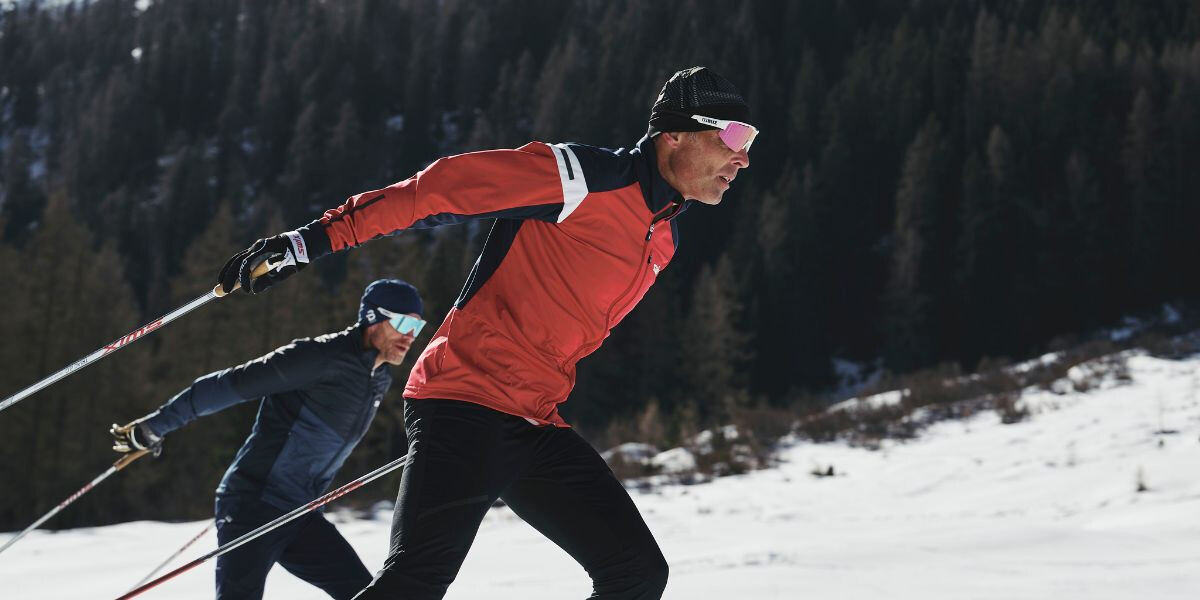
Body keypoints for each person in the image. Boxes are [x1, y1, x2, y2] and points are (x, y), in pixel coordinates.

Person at [216, 66, 756, 600]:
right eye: (731, 135)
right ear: (675, 133)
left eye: (750, 139)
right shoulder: (581, 179)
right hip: (465, 399)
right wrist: (311, 241)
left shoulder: (662, 238)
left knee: (636, 573)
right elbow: (441, 189)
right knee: (414, 583)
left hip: (533, 421)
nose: (743, 156)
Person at [111, 279, 427, 600]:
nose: (410, 336)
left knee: (366, 593)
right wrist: (153, 428)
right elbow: (231, 383)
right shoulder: (318, 357)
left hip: (300, 513)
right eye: (403, 323)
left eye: (417, 326)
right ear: (372, 318)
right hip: (253, 504)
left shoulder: (379, 378)